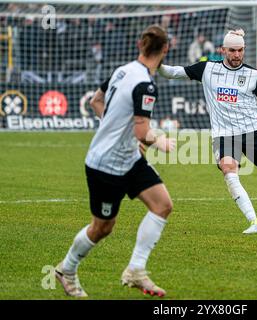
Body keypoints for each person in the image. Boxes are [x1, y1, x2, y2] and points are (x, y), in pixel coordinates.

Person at [158, 29, 257, 234]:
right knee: (229, 169)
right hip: (224, 135)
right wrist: (156, 62)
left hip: (253, 133)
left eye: (240, 50)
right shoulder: (207, 69)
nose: (237, 55)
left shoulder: (254, 75)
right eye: (232, 50)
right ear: (223, 50)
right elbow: (172, 72)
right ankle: (254, 222)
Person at [55, 25, 176, 298]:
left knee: (162, 205)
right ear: (165, 49)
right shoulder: (145, 84)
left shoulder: (122, 70)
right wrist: (161, 141)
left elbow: (96, 101)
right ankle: (66, 269)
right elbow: (142, 132)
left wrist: (115, 128)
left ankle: (136, 269)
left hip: (129, 159)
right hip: (106, 164)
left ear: (139, 45)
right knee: (102, 228)